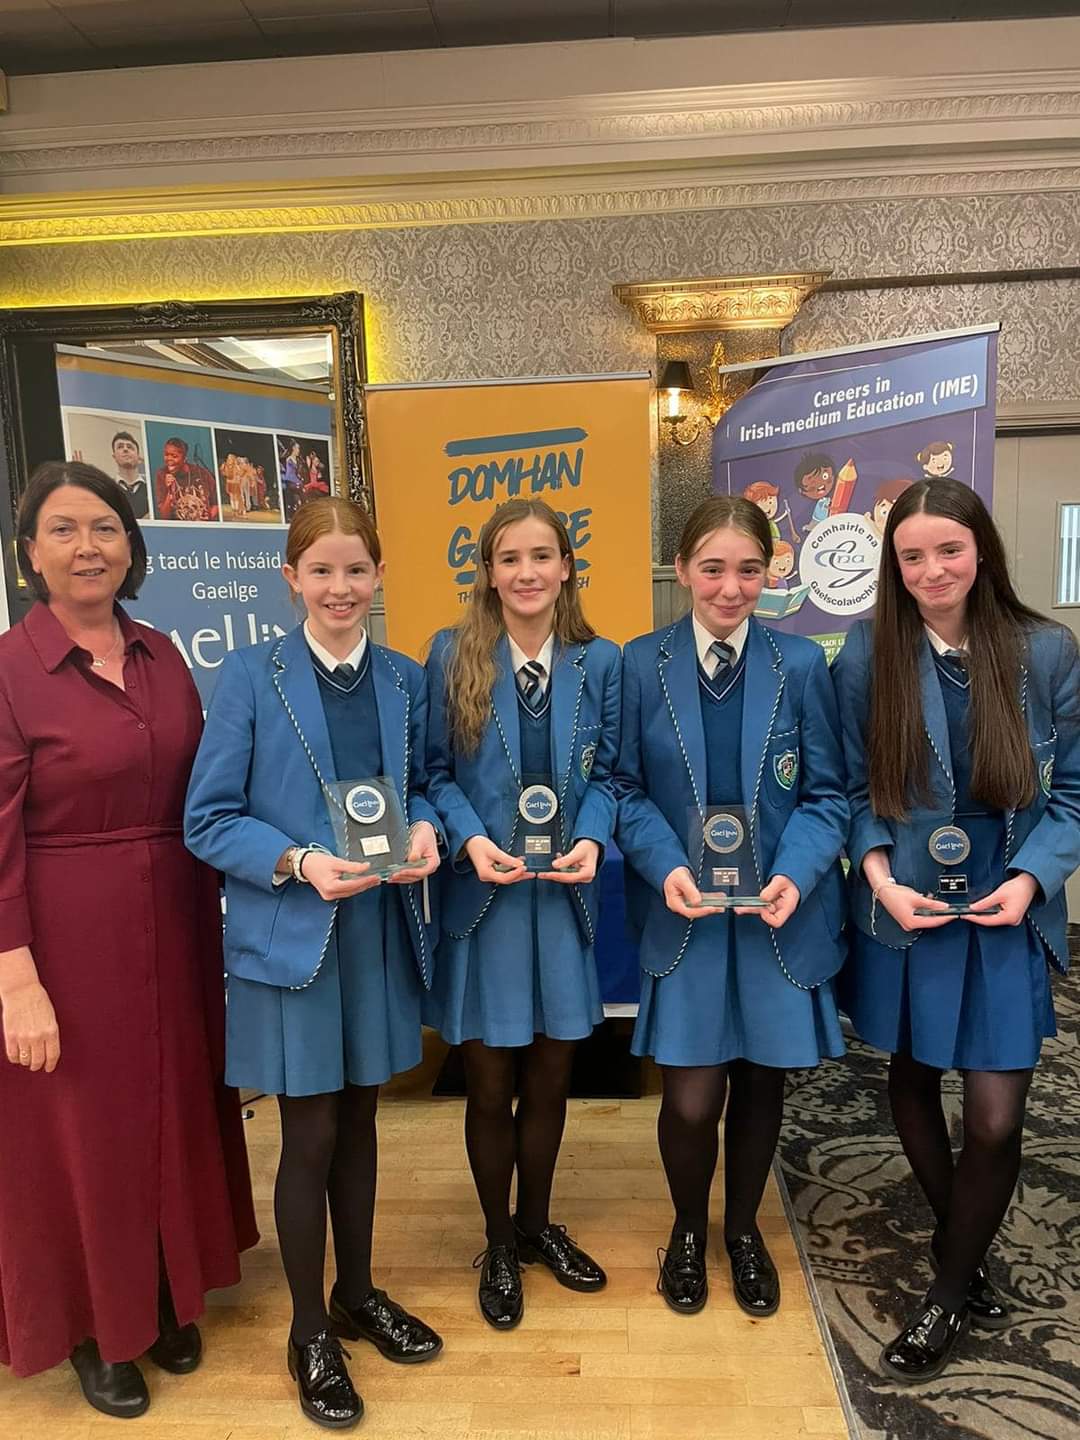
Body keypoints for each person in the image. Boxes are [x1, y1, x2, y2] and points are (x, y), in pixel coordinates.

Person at [0, 462, 257, 1417]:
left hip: (177, 923)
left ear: (131, 545)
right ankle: (90, 1326)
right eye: (63, 530)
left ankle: (163, 1290)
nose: (87, 547)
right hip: (65, 936)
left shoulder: (161, 652)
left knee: (171, 1109)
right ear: (30, 553)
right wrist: (15, 980)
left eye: (105, 528)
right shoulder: (8, 670)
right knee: (81, 1134)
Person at [185, 496, 443, 1430]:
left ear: (379, 576)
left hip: (375, 935)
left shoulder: (405, 680)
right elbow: (208, 819)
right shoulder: (249, 677)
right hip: (294, 940)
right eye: (322, 571)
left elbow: (432, 788)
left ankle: (357, 1293)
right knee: (311, 1135)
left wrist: (428, 828)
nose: (341, 588)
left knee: (364, 1123)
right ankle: (308, 1332)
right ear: (290, 578)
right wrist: (297, 862)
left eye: (356, 570)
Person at [831, 477, 1080, 1383]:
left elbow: (1075, 789)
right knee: (911, 1073)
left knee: (996, 1117)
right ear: (893, 566)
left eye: (949, 549)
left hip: (1006, 902)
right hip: (908, 903)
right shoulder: (868, 654)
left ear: (982, 551)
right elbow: (852, 787)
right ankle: (962, 1247)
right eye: (912, 556)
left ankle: (942, 1293)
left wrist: (1031, 879)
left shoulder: (1046, 651)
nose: (932, 570)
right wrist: (879, 881)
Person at [615, 496, 848, 1319]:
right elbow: (623, 789)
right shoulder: (639, 665)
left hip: (775, 916)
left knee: (758, 1085)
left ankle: (743, 1229)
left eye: (749, 570)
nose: (730, 587)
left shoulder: (802, 665)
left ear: (769, 573)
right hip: (685, 915)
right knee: (689, 1099)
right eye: (712, 568)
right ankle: (687, 1229)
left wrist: (796, 874)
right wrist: (666, 866)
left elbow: (827, 795)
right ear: (682, 570)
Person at [424, 498, 620, 1330]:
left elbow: (611, 776)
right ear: (488, 571)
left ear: (567, 566)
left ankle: (538, 1225)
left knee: (551, 1080)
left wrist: (595, 838)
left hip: (563, 899)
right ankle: (499, 1240)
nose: (528, 572)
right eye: (510, 558)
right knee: (489, 1084)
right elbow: (431, 776)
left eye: (543, 556)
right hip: (486, 903)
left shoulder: (600, 661)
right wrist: (469, 840)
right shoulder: (452, 653)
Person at [154, 437, 219, 521]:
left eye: (174, 456)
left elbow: (216, 504)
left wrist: (208, 519)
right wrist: (169, 491)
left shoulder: (203, 474)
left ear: (185, 458)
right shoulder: (161, 474)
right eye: (166, 455)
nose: (169, 459)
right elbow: (164, 516)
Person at [110, 430, 149, 518]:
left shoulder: (152, 489)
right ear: (114, 456)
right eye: (120, 447)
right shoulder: (107, 489)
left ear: (138, 456)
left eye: (130, 447)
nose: (125, 449)